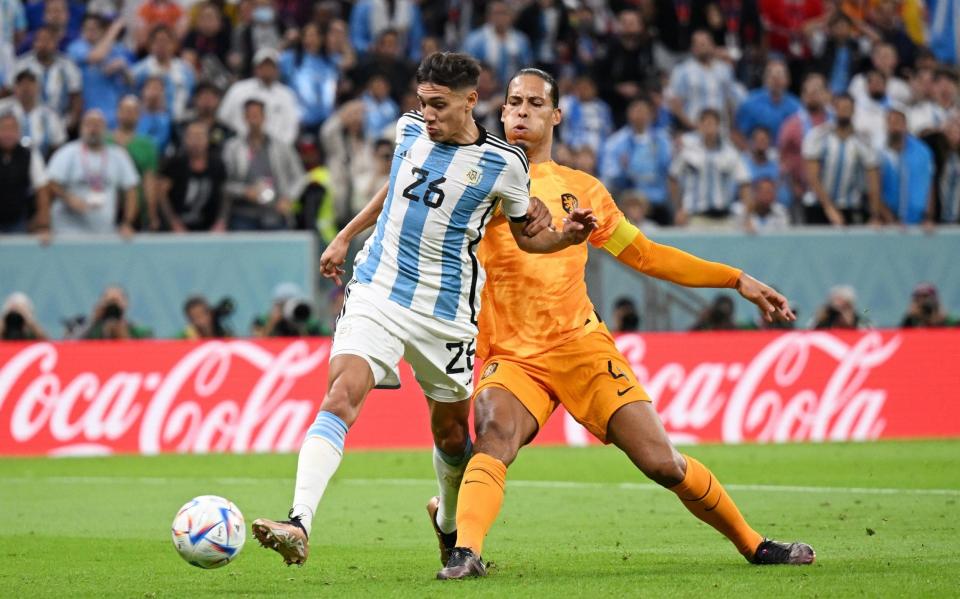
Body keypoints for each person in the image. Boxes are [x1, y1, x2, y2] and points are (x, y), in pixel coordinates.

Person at [433, 68, 813, 580]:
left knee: (664, 464)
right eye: (514, 102)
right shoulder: (479, 180)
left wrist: (734, 279)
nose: (522, 111)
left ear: (556, 116)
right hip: (513, 355)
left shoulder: (583, 189)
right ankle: (466, 553)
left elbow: (647, 256)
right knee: (495, 434)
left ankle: (754, 544)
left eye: (535, 104)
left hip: (583, 348)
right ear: (500, 112)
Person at [249, 52, 594, 567]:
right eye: (422, 103)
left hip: (447, 314)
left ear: (470, 102)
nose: (426, 114)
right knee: (342, 394)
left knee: (453, 435)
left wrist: (564, 237)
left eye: (438, 105)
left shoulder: (505, 164)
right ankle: (299, 521)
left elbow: (528, 238)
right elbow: (394, 188)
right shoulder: (409, 129)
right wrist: (346, 236)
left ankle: (450, 527)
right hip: (377, 291)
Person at [46, 109, 140, 236]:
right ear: (81, 128)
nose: (93, 129)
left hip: (104, 231)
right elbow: (50, 184)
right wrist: (68, 198)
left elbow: (131, 190)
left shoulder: (119, 155)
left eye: (97, 125)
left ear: (106, 129)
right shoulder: (67, 152)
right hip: (67, 231)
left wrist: (127, 223)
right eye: (89, 124)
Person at [222, 99, 303, 231]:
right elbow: (225, 183)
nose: (254, 119)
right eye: (250, 115)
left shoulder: (281, 147)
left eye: (257, 115)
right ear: (245, 118)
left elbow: (299, 177)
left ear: (264, 117)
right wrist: (244, 191)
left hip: (276, 212)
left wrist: (288, 198)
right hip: (243, 215)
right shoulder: (233, 148)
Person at [802, 93, 881, 225]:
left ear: (854, 110)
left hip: (850, 207)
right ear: (834, 108)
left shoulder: (864, 141)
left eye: (848, 108)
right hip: (818, 205)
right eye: (841, 107)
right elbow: (812, 177)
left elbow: (873, 181)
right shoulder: (817, 136)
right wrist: (828, 207)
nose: (844, 111)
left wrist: (875, 214)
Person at [669, 109, 752, 230]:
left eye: (712, 123)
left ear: (718, 126)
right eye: (705, 123)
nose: (709, 127)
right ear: (699, 126)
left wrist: (747, 217)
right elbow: (672, 177)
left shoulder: (731, 153)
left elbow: (744, 183)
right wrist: (678, 208)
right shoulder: (687, 151)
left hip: (725, 218)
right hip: (696, 217)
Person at [599, 97, 672, 226]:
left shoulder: (663, 141)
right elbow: (609, 176)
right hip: (627, 199)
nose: (640, 115)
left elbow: (669, 171)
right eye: (636, 111)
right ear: (629, 113)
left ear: (651, 114)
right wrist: (623, 170)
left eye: (643, 111)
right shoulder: (615, 142)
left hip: (657, 201)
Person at [218, 47, 302, 146]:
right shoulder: (238, 89)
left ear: (277, 69)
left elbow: (293, 125)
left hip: (277, 149)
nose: (267, 69)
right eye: (263, 65)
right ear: (255, 68)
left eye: (271, 66)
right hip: (242, 147)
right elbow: (223, 117)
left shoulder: (287, 94)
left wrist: (281, 147)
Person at [158, 120, 227, 232]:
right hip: (177, 226)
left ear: (207, 140)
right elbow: (161, 195)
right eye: (192, 137)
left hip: (208, 226)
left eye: (200, 137)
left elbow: (224, 195)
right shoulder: (174, 164)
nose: (196, 142)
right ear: (185, 139)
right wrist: (173, 222)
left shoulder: (217, 165)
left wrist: (221, 221)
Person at [13, 24, 82, 134]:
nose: (43, 45)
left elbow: (76, 97)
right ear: (34, 43)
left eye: (48, 40)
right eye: (39, 40)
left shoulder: (68, 66)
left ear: (55, 42)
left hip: (61, 121)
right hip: (28, 121)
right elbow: (14, 93)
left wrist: (71, 122)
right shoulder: (22, 65)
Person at [666, 30, 741, 132]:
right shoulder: (682, 71)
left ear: (712, 45)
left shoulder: (725, 70)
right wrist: (690, 125)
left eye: (704, 44)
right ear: (692, 48)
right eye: (697, 44)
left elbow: (729, 102)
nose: (701, 48)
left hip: (721, 130)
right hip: (693, 130)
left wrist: (732, 128)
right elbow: (674, 104)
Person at [778, 73, 831, 212]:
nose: (811, 95)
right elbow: (782, 158)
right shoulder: (792, 124)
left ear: (826, 94)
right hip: (801, 193)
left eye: (816, 91)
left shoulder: (836, 123)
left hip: (832, 193)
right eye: (808, 92)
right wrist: (792, 186)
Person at [67, 16, 131, 128]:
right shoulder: (76, 47)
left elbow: (131, 82)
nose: (90, 32)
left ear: (101, 31)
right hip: (88, 114)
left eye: (94, 29)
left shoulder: (116, 50)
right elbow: (96, 56)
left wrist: (122, 67)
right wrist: (113, 30)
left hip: (113, 115)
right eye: (87, 29)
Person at [878, 106, 935, 226]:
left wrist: (928, 217)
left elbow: (929, 184)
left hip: (918, 220)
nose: (894, 127)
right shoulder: (880, 151)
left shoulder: (923, 152)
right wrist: (888, 218)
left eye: (898, 123)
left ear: (905, 125)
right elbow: (874, 188)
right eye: (890, 123)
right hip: (888, 221)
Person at [110, 95, 159, 231]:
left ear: (139, 116)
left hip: (136, 206)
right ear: (117, 113)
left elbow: (149, 179)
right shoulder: (105, 141)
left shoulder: (146, 145)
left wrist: (152, 213)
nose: (128, 115)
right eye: (125, 111)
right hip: (108, 205)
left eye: (132, 112)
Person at [131, 25, 195, 122]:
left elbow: (191, 98)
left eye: (166, 41)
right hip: (148, 122)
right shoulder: (139, 71)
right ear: (150, 45)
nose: (162, 45)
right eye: (157, 41)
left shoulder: (186, 71)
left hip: (178, 121)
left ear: (174, 45)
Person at [0, 110, 49, 236]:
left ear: (19, 132)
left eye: (12, 129)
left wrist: (43, 224)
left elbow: (42, 188)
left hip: (18, 220)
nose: (8, 134)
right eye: (4, 129)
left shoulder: (30, 154)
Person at [463, 2, 533, 87]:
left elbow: (527, 68)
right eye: (496, 13)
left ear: (511, 16)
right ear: (488, 16)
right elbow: (467, 69)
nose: (500, 17)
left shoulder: (521, 40)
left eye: (503, 13)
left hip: (513, 88)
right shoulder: (475, 40)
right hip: (482, 92)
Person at [0, 68, 66, 158]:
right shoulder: (2, 108)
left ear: (38, 88)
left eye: (30, 84)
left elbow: (58, 143)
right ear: (14, 88)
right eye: (21, 84)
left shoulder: (50, 114)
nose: (26, 89)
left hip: (42, 161)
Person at [734, 59, 801, 145]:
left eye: (780, 77)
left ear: (788, 80)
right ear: (765, 79)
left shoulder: (797, 106)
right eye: (772, 77)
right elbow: (739, 134)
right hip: (756, 153)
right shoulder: (750, 103)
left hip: (785, 154)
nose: (776, 81)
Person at [82, 285, 153, 339]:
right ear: (100, 304)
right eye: (109, 302)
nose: (113, 307)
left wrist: (125, 337)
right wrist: (92, 321)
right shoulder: (92, 331)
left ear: (127, 303)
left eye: (117, 301)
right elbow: (73, 346)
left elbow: (148, 354)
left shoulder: (140, 332)